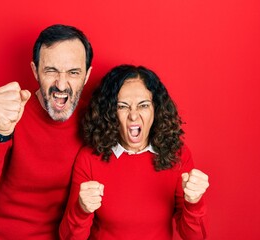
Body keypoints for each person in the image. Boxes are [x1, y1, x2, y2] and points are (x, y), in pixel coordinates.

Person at [0, 24, 93, 239]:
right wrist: (0, 132)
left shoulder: (94, 120)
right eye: (51, 71)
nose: (61, 84)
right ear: (35, 71)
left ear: (86, 76)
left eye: (73, 72)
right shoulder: (6, 113)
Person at [59, 65, 209, 239]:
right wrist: (82, 210)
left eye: (143, 105)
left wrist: (194, 203)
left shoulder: (177, 155)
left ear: (156, 109)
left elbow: (196, 237)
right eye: (123, 106)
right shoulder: (89, 158)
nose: (133, 115)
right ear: (110, 112)